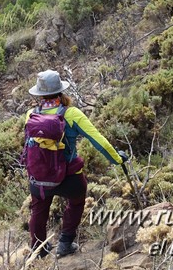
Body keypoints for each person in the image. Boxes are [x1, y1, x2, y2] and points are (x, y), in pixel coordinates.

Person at [24, 69, 128, 258]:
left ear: (39, 94)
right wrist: (117, 159)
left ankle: (39, 251)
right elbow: (99, 141)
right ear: (61, 91)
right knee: (77, 200)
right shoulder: (71, 113)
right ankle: (65, 243)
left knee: (38, 210)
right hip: (69, 177)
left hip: (39, 178)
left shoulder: (31, 114)